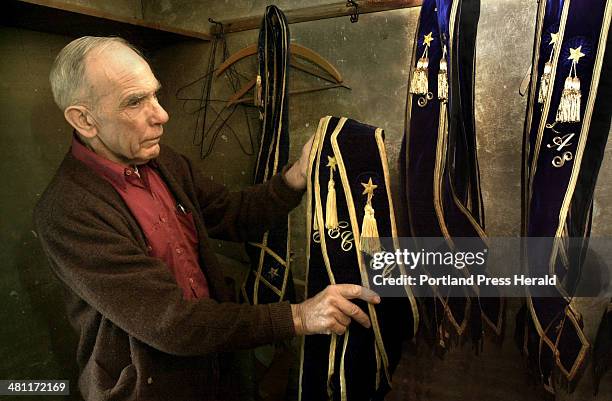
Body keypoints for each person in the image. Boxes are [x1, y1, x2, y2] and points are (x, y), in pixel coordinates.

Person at [34, 36, 380, 401]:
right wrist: (298, 317)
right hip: (150, 390)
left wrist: (295, 176)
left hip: (219, 372)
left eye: (155, 94)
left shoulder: (163, 161)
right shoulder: (68, 211)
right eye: (135, 102)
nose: (161, 114)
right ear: (84, 120)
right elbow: (171, 323)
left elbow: (232, 216)